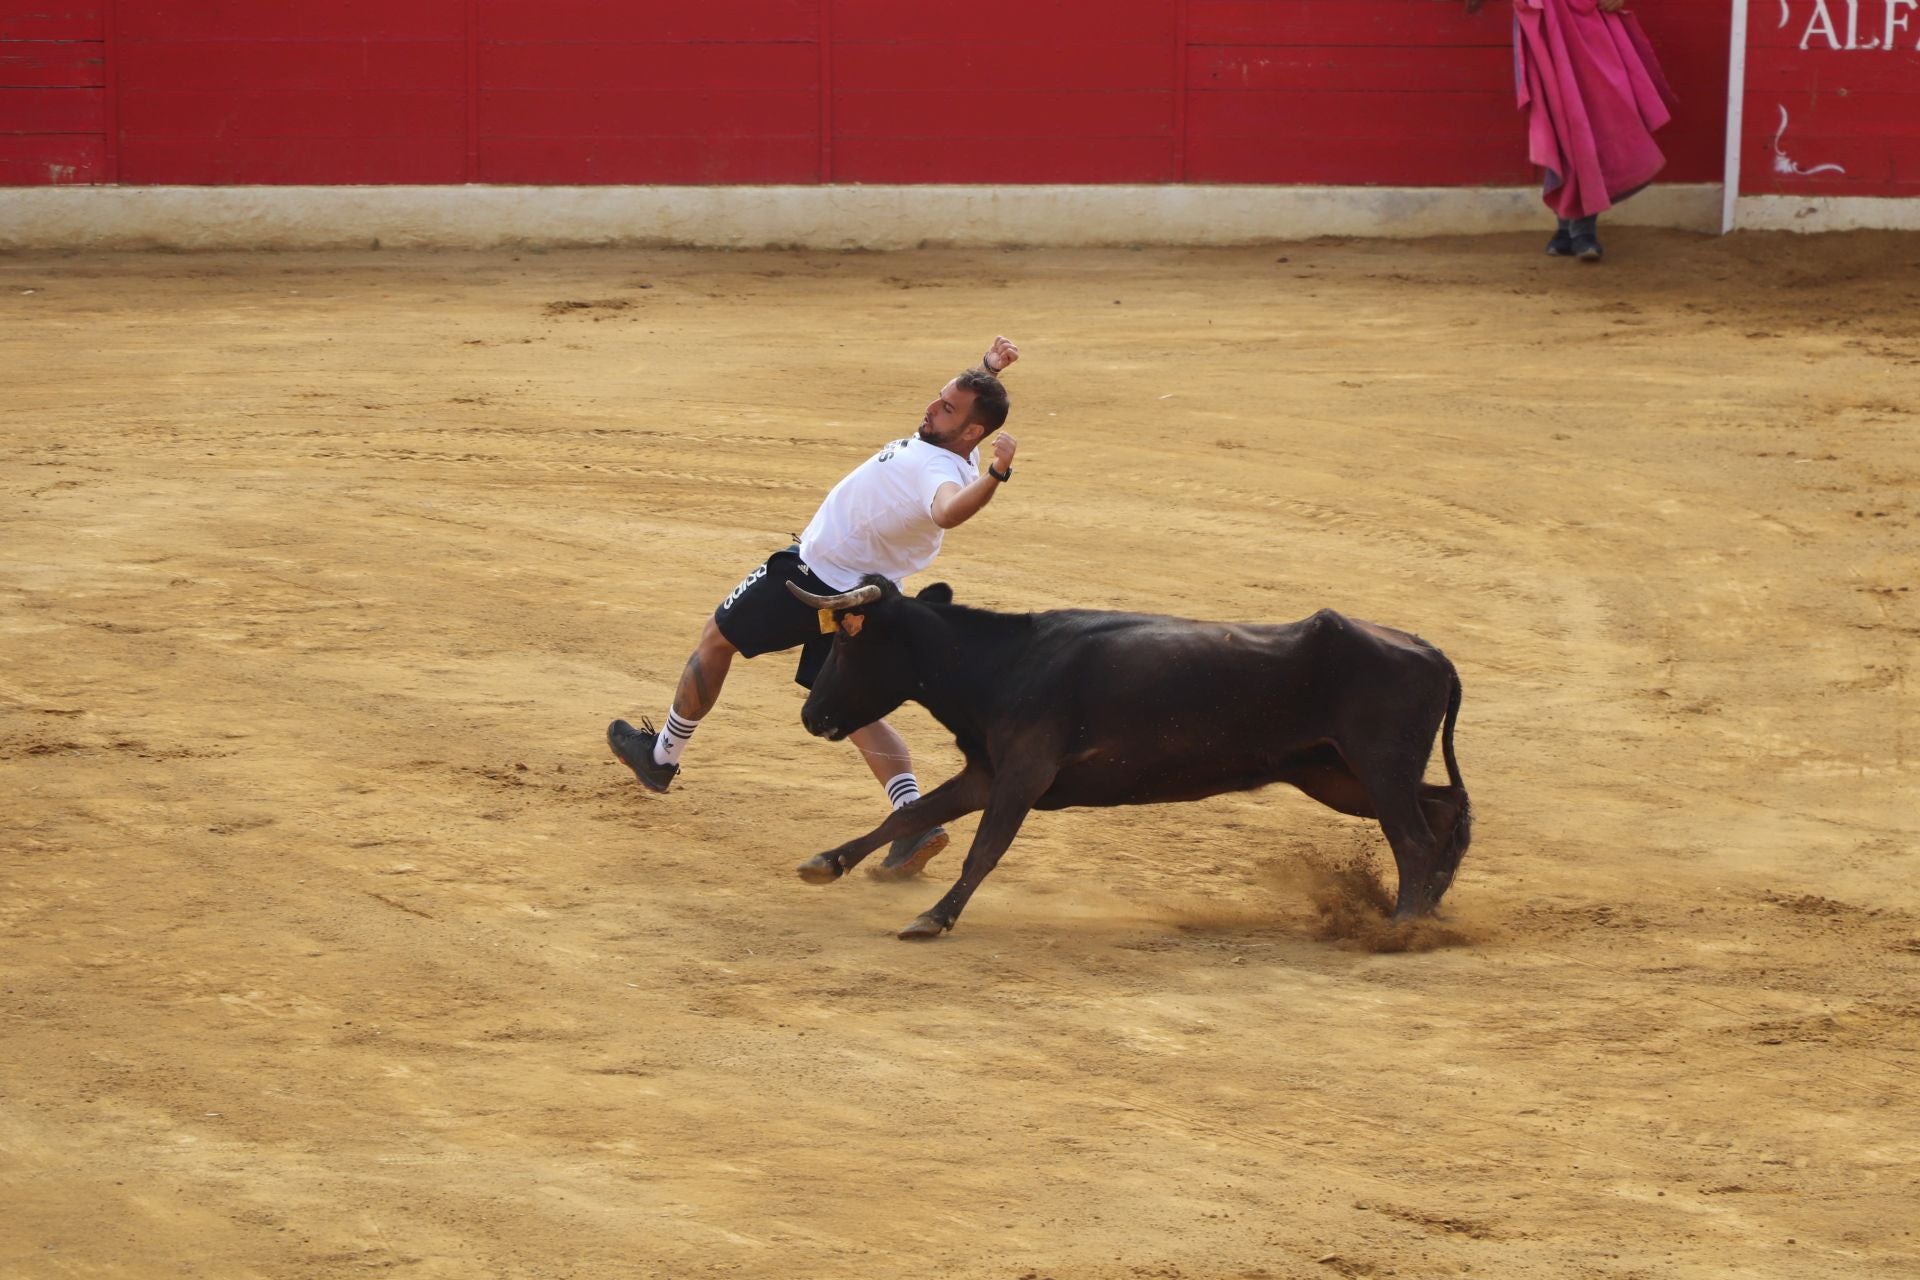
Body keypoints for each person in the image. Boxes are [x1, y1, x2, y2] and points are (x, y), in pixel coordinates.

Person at [607, 337, 1021, 880]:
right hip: (863, 597)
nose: (931, 407)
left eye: (946, 407)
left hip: (807, 578)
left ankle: (661, 757)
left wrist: (998, 475)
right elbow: (965, 423)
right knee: (853, 709)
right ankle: (913, 818)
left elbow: (947, 513)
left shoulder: (941, 474)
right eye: (938, 398)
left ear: (970, 432)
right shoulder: (952, 449)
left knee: (715, 639)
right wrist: (987, 369)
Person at [1466, 0, 1678, 262]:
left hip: (1588, 17)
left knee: (1589, 114)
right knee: (1560, 116)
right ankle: (1576, 230)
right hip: (1542, 18)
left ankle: (1574, 230)